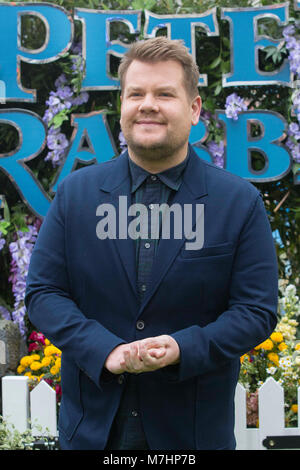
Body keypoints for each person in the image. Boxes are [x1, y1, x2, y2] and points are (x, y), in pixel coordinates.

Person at [25, 36, 278, 450]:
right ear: (122, 106)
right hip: (93, 433)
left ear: (194, 109)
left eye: (165, 93)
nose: (148, 104)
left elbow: (256, 310)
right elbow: (43, 294)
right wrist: (104, 350)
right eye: (136, 93)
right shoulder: (76, 195)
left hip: (193, 435)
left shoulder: (238, 203)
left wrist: (184, 347)